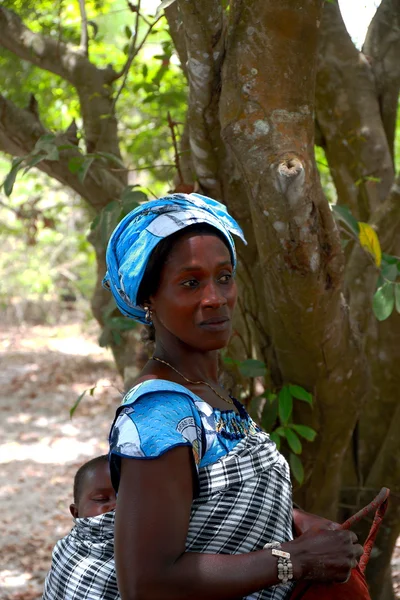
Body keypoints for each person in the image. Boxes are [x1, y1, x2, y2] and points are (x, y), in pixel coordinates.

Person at [104, 193, 363, 600]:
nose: (215, 297)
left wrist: (295, 520)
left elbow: (206, 500)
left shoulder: (205, 391)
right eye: (191, 283)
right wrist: (294, 559)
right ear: (148, 299)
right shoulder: (159, 416)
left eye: (224, 277)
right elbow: (145, 583)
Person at [42, 455, 119, 600]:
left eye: (125, 498)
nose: (116, 506)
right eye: (101, 499)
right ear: (76, 512)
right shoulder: (65, 548)